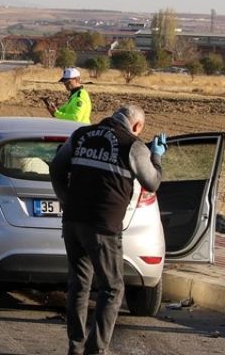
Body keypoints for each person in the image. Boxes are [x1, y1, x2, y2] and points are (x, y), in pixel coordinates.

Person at [50, 105, 165, 355]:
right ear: (136, 127)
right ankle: (96, 349)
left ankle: (76, 347)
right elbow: (152, 182)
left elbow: (55, 167)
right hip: (103, 226)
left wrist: (66, 199)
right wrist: (156, 156)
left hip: (73, 222)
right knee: (112, 288)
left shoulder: (81, 135)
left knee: (79, 285)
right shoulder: (132, 146)